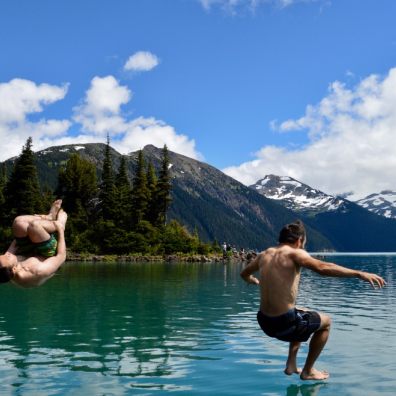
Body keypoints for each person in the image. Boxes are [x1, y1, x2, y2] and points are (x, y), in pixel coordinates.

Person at [240, 220, 386, 381]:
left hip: (264, 322)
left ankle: (291, 364)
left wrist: (254, 281)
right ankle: (308, 371)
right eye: (303, 243)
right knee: (327, 322)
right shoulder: (295, 253)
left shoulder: (263, 255)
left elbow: (244, 274)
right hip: (283, 324)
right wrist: (359, 274)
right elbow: (322, 268)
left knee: (302, 311)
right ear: (298, 241)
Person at [0, 200, 68, 288]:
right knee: (34, 226)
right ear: (14, 269)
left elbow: (16, 243)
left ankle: (49, 217)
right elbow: (61, 256)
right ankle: (58, 223)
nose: (8, 253)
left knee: (18, 222)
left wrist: (21, 233)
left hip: (29, 251)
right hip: (49, 255)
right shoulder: (37, 271)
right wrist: (61, 229)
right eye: (8, 256)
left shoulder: (5, 264)